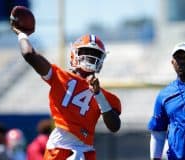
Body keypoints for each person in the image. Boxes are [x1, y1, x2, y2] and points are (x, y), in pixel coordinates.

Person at [10, 17, 121, 160]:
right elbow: (29, 54)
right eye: (86, 51)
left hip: (85, 151)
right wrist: (22, 34)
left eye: (95, 54)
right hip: (59, 147)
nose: (90, 57)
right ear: (74, 54)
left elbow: (114, 126)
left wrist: (98, 95)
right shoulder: (60, 77)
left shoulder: (105, 97)